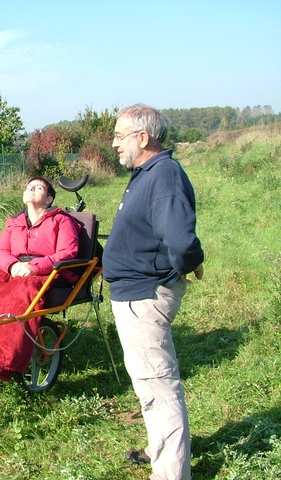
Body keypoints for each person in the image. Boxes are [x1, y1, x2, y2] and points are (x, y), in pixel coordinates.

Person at [102, 104, 204, 480]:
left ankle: (171, 473)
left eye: (119, 136)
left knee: (159, 387)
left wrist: (189, 262)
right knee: (148, 381)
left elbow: (180, 237)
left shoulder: (164, 175)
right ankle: (160, 447)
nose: (114, 144)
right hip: (134, 294)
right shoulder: (148, 173)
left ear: (142, 138)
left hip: (145, 295)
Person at [0, 177, 80, 380]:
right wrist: (12, 265)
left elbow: (68, 252)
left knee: (20, 292)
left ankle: (5, 359)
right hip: (14, 266)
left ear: (49, 198)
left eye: (38, 187)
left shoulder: (61, 220)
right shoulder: (14, 222)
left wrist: (34, 267)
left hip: (45, 270)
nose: (31, 189)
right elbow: (0, 250)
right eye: (28, 187)